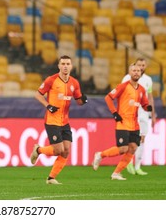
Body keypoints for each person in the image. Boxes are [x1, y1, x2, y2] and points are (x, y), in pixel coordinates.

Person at [29, 55, 88, 185]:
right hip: (52, 120)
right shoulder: (51, 80)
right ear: (59, 66)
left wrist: (83, 100)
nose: (65, 66)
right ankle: (38, 150)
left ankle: (51, 178)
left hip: (65, 121)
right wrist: (47, 105)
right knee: (58, 150)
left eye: (68, 64)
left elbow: (79, 101)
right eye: (63, 64)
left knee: (66, 150)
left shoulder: (74, 83)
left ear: (71, 66)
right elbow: (37, 94)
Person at [92, 64, 152, 181]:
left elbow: (144, 104)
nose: (136, 72)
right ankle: (100, 155)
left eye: (138, 71)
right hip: (123, 122)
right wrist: (115, 113)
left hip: (135, 124)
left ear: (141, 73)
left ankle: (116, 173)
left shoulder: (141, 90)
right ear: (129, 72)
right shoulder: (123, 86)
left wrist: (147, 108)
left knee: (133, 148)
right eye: (134, 70)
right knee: (123, 148)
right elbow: (108, 98)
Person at [121, 58, 156, 176]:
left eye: (143, 65)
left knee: (142, 139)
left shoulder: (148, 80)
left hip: (144, 114)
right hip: (131, 113)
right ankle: (129, 162)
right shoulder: (127, 78)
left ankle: (138, 166)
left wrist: (153, 114)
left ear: (145, 67)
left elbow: (150, 97)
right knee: (131, 139)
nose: (141, 67)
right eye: (139, 65)